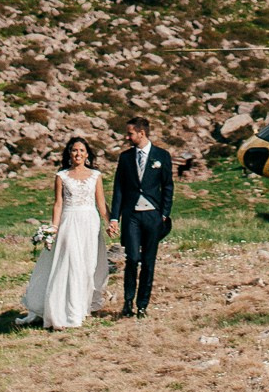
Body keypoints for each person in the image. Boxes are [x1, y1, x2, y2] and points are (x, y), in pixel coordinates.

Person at [19, 136, 110, 329]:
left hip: (90, 223)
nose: (78, 154)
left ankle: (81, 307)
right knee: (71, 263)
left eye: (82, 151)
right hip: (69, 221)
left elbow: (101, 204)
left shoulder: (95, 175)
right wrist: (53, 227)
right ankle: (66, 313)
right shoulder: (62, 176)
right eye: (74, 150)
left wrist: (110, 222)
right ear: (69, 154)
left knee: (86, 266)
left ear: (87, 155)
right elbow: (58, 204)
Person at [108, 114, 174, 318]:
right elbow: (118, 187)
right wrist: (114, 217)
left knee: (148, 261)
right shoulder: (126, 158)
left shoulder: (162, 156)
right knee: (132, 258)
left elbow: (168, 186)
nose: (127, 138)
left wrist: (163, 213)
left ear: (141, 133)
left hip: (153, 215)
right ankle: (128, 301)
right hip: (132, 216)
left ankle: (142, 305)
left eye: (130, 134)